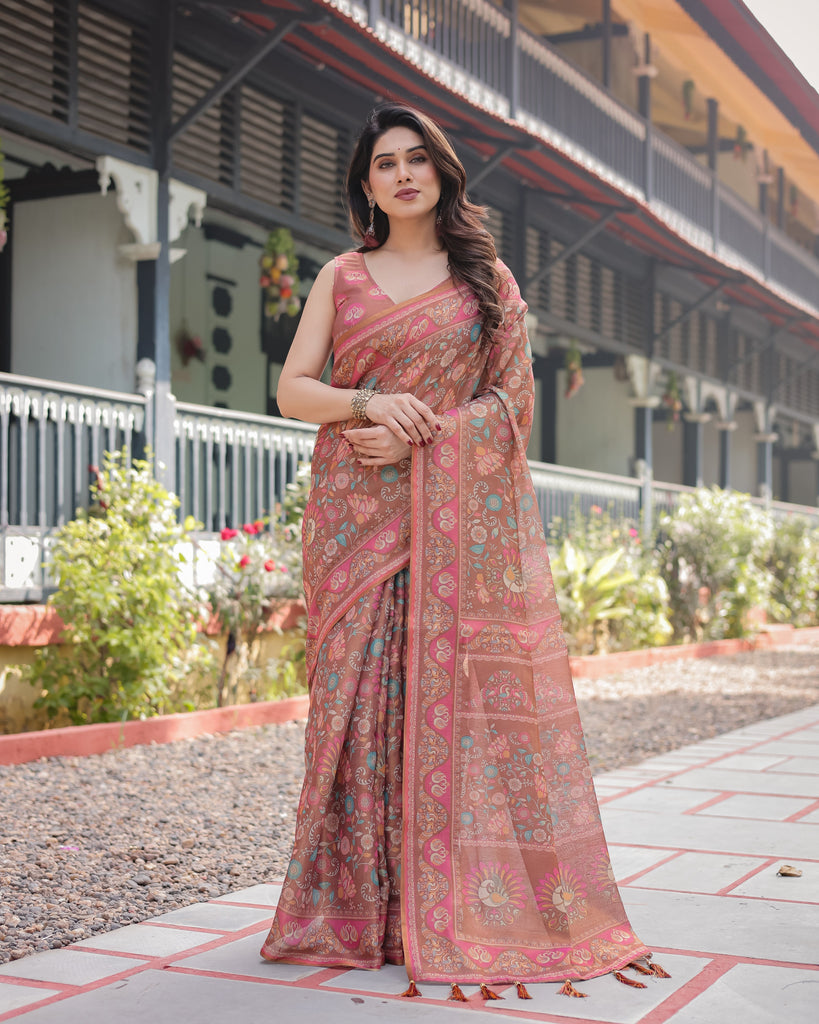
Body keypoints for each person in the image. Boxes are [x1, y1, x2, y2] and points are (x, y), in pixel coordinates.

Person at [260, 102, 667, 997]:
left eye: (416, 160)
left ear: (441, 173)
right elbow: (292, 390)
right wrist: (371, 407)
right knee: (355, 706)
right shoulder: (343, 274)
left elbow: (511, 409)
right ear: (365, 184)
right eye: (383, 164)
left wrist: (425, 436)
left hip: (445, 516)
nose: (401, 174)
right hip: (354, 516)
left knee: (455, 699)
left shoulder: (486, 281)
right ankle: (355, 912)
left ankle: (441, 908)